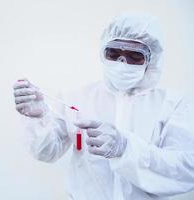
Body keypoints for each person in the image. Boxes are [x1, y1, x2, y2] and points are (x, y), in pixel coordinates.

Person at [13, 13, 194, 200]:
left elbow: (186, 170)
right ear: (103, 52)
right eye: (114, 54)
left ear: (152, 60)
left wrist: (125, 148)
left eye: (135, 56)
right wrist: (38, 118)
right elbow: (46, 152)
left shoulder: (173, 105)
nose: (122, 63)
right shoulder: (76, 97)